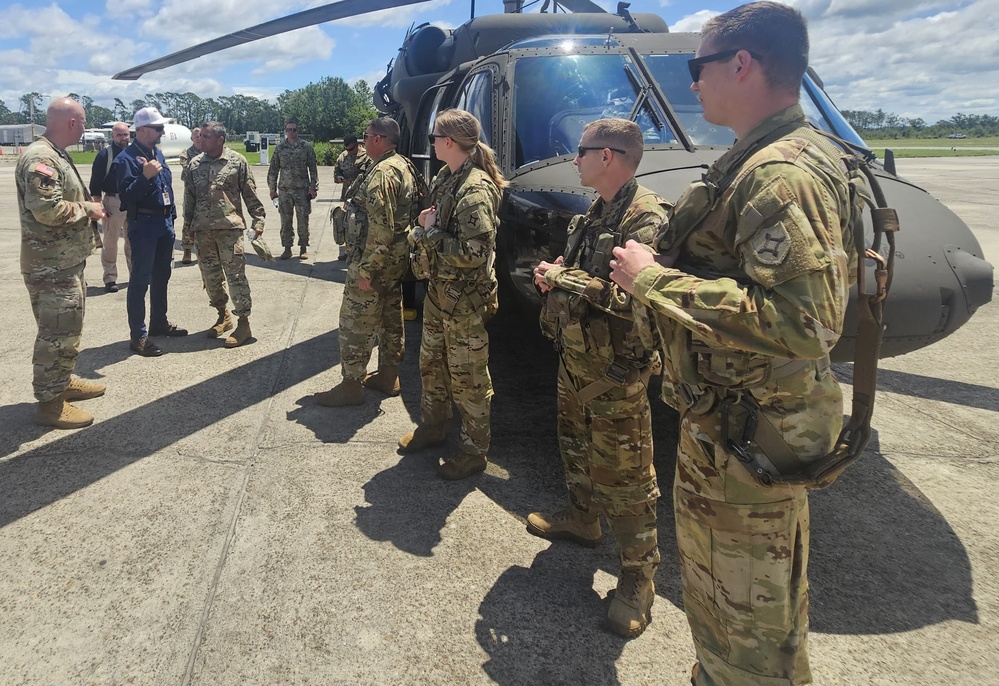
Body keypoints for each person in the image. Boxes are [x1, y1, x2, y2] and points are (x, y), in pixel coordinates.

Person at [609, 3, 859, 682]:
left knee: (748, 631)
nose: (691, 85)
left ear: (740, 64)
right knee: (724, 614)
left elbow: (806, 324)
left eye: (697, 68)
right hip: (731, 428)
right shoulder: (765, 159)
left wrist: (654, 281)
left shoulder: (782, 174)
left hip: (746, 442)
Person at [526, 118, 667, 637]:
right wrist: (556, 278)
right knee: (575, 447)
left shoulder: (647, 219)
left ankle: (637, 576)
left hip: (615, 372)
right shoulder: (595, 212)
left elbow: (640, 299)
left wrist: (565, 278)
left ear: (607, 156)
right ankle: (583, 519)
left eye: (581, 151)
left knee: (627, 479)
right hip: (576, 358)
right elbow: (588, 280)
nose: (575, 159)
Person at [399, 109, 504, 480]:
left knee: (468, 380)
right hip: (439, 296)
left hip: (464, 304)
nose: (432, 144)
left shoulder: (474, 190)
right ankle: (433, 427)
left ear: (447, 142)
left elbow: (474, 254)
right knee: (431, 366)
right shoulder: (447, 177)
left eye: (434, 138)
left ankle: (474, 452)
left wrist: (425, 233)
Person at [16, 97, 108, 428]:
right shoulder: (42, 158)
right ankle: (50, 404)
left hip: (63, 262)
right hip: (50, 266)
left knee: (67, 330)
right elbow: (47, 210)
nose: (85, 128)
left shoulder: (54, 153)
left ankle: (62, 382)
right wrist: (89, 209)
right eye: (83, 122)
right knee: (55, 333)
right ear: (71, 123)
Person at [315, 117, 415, 407]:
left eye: (366, 135)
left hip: (374, 261)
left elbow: (381, 227)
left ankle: (351, 386)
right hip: (393, 261)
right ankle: (388, 375)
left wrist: (367, 269)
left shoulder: (382, 172)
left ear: (379, 139)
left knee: (354, 323)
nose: (363, 140)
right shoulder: (402, 164)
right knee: (390, 318)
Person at [183, 122, 266, 348]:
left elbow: (249, 193)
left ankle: (244, 323)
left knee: (236, 278)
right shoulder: (194, 164)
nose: (201, 140)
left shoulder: (237, 161)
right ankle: (223, 315)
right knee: (211, 279)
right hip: (203, 231)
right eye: (200, 136)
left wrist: (258, 219)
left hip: (230, 230)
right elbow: (189, 198)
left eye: (207, 136)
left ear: (220, 139)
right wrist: (187, 229)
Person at [114, 107, 188, 357]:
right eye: (158, 128)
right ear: (143, 130)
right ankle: (138, 336)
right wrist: (144, 177)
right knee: (140, 281)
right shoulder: (124, 160)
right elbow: (125, 197)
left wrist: (172, 217)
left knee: (162, 276)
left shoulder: (156, 153)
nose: (163, 131)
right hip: (143, 225)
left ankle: (158, 322)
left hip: (164, 224)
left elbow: (166, 186)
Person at [88, 122, 132, 293]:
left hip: (133, 201)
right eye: (119, 135)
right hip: (114, 201)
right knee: (110, 242)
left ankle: (135, 275)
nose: (123, 138)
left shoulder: (135, 153)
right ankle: (110, 277)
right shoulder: (104, 155)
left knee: (133, 241)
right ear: (113, 136)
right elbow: (95, 184)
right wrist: (99, 206)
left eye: (126, 134)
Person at [268, 118, 318, 260]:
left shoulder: (306, 147)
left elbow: (313, 170)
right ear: (285, 131)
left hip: (302, 190)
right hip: (284, 190)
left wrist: (313, 187)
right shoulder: (279, 149)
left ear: (298, 131)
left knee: (303, 219)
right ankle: (287, 248)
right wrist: (272, 190)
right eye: (289, 129)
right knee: (285, 220)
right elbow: (273, 170)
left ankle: (303, 247)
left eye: (294, 129)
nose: (291, 132)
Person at [333, 133, 370, 261]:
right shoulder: (342, 157)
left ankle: (362, 251)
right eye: (346, 149)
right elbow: (336, 172)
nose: (348, 152)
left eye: (351, 149)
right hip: (347, 195)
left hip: (361, 196)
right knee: (347, 223)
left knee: (361, 224)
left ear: (357, 145)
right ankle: (349, 251)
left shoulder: (366, 156)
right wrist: (340, 178)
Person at [177, 126, 202, 264]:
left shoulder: (210, 152)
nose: (198, 139)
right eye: (196, 137)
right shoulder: (186, 154)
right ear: (191, 138)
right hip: (191, 193)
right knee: (188, 220)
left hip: (206, 193)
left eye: (200, 136)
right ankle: (187, 251)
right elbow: (188, 169)